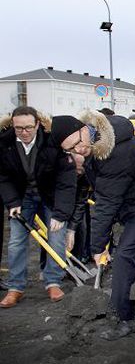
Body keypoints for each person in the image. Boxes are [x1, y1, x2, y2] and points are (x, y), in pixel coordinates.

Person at [51, 110, 135, 340]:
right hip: (133, 203)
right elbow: (98, 192)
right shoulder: (94, 146)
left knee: (124, 256)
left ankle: (121, 320)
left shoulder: (115, 150)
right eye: (70, 149)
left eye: (77, 142)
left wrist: (98, 247)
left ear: (84, 127)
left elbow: (106, 203)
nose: (78, 150)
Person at [0, 106, 75, 308]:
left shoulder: (52, 142)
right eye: (19, 129)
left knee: (56, 237)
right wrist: (12, 202)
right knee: (16, 242)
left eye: (28, 128)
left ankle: (53, 281)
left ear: (37, 124)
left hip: (50, 197)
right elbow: (3, 177)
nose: (24, 133)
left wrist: (60, 214)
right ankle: (15, 287)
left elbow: (66, 181)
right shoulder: (4, 143)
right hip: (22, 198)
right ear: (13, 126)